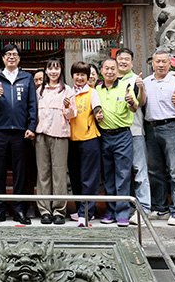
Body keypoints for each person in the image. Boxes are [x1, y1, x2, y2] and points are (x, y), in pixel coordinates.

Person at [0, 44, 37, 225]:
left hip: (21, 132)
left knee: (20, 172)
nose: (11, 57)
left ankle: (19, 210)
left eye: (15, 54)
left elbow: (32, 104)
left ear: (19, 58)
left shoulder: (27, 78)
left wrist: (31, 126)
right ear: (3, 58)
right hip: (0, 130)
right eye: (8, 54)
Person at [143, 50, 175, 226]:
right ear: (152, 63)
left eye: (164, 62)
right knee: (155, 170)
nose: (161, 65)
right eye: (157, 61)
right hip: (151, 128)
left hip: (170, 127)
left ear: (170, 64)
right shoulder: (146, 82)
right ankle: (161, 208)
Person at [96, 58, 137, 227]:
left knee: (122, 175)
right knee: (108, 176)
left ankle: (122, 213)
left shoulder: (126, 86)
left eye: (113, 68)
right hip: (104, 136)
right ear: (102, 71)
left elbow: (134, 108)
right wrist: (97, 115)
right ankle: (110, 211)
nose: (110, 71)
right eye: (107, 68)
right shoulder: (97, 88)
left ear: (118, 70)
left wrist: (131, 102)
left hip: (122, 136)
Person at [34, 58, 76, 225]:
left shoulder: (67, 90)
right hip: (41, 135)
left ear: (61, 71)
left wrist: (68, 107)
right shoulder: (40, 91)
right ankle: (44, 210)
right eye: (50, 68)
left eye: (56, 68)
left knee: (59, 174)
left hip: (60, 135)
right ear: (46, 71)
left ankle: (59, 210)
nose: (53, 71)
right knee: (43, 173)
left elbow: (72, 115)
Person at [115, 48, 151, 222]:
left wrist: (141, 88)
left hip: (134, 131)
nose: (123, 62)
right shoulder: (111, 80)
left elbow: (142, 102)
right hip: (115, 133)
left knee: (139, 170)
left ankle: (143, 208)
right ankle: (125, 208)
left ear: (132, 62)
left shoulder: (136, 79)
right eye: (120, 59)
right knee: (122, 172)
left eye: (126, 59)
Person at [67, 61, 102, 226]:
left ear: (88, 77)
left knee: (89, 178)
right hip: (72, 140)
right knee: (75, 178)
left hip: (89, 139)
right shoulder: (68, 92)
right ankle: (80, 208)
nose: (79, 77)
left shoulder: (92, 92)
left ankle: (86, 212)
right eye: (77, 74)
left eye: (83, 75)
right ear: (72, 75)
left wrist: (99, 115)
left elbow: (97, 109)